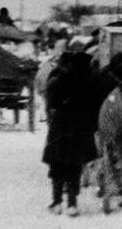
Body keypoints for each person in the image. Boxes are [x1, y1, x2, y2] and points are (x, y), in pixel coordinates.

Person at [42, 49, 102, 216]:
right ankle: (72, 204)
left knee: (57, 164)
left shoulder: (61, 79)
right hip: (81, 129)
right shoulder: (91, 82)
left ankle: (56, 201)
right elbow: (96, 106)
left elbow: (52, 102)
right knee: (74, 166)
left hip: (61, 127)